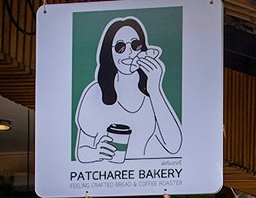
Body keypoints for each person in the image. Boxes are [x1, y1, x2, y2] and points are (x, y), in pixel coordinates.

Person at [75, 16, 184, 163]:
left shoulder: (151, 97)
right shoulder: (95, 93)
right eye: (120, 47)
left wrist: (155, 89)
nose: (129, 53)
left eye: (135, 45)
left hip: (146, 180)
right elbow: (82, 151)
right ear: (110, 53)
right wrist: (96, 153)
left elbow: (174, 145)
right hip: (104, 179)